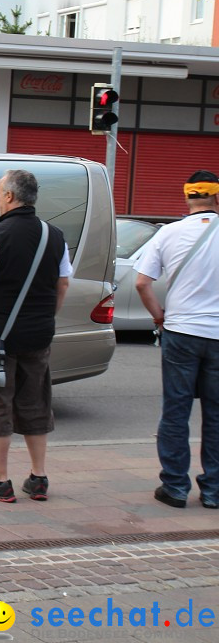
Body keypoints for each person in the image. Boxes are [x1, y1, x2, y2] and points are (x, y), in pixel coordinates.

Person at [0, 169, 72, 504]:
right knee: (34, 402)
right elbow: (62, 284)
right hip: (38, 335)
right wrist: (45, 317)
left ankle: (0, 480)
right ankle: (38, 477)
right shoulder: (55, 235)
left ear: (8, 196)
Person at [135, 170, 219, 509]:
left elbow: (142, 282)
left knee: (176, 410)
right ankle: (213, 491)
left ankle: (175, 488)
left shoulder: (168, 234)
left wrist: (159, 315)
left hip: (181, 332)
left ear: (187, 198)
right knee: (215, 415)